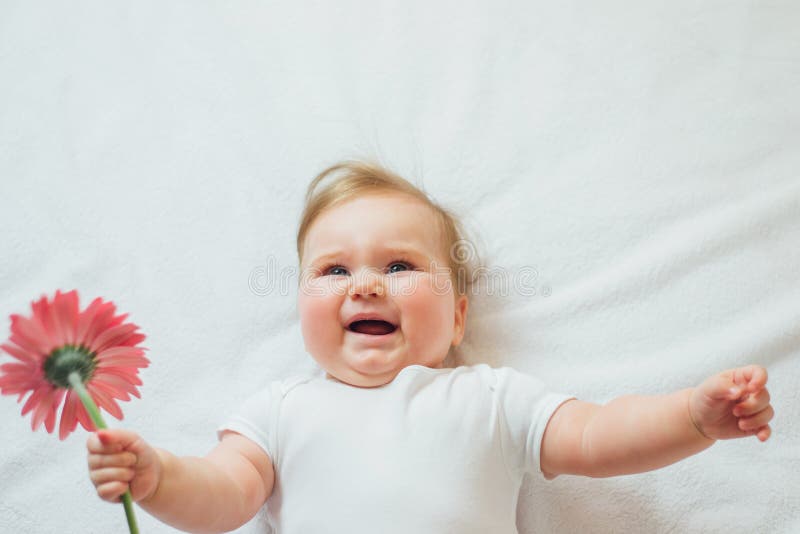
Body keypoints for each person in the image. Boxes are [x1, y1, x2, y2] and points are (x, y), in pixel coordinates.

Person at [86, 160, 775, 534]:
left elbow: (599, 435)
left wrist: (691, 417)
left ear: (457, 316)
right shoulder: (277, 412)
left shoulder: (491, 396)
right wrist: (159, 479)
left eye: (398, 267)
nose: (365, 287)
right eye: (333, 270)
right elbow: (225, 497)